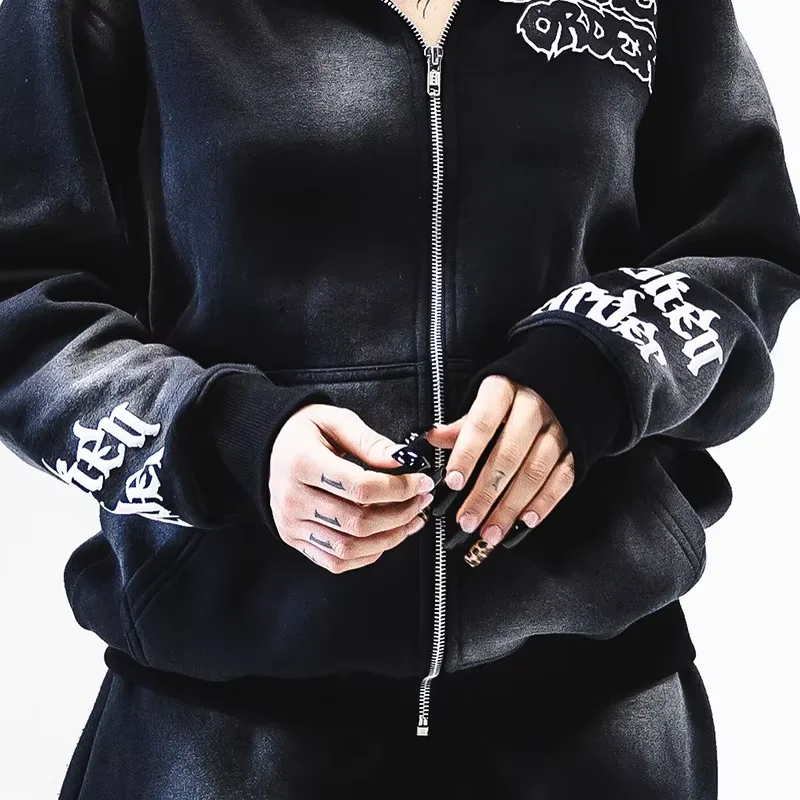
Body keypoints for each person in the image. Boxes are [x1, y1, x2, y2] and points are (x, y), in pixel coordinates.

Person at [1, 0, 798, 797]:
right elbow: (24, 300)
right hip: (221, 741)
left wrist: (596, 370)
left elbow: (743, 247)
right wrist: (233, 436)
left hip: (601, 732)